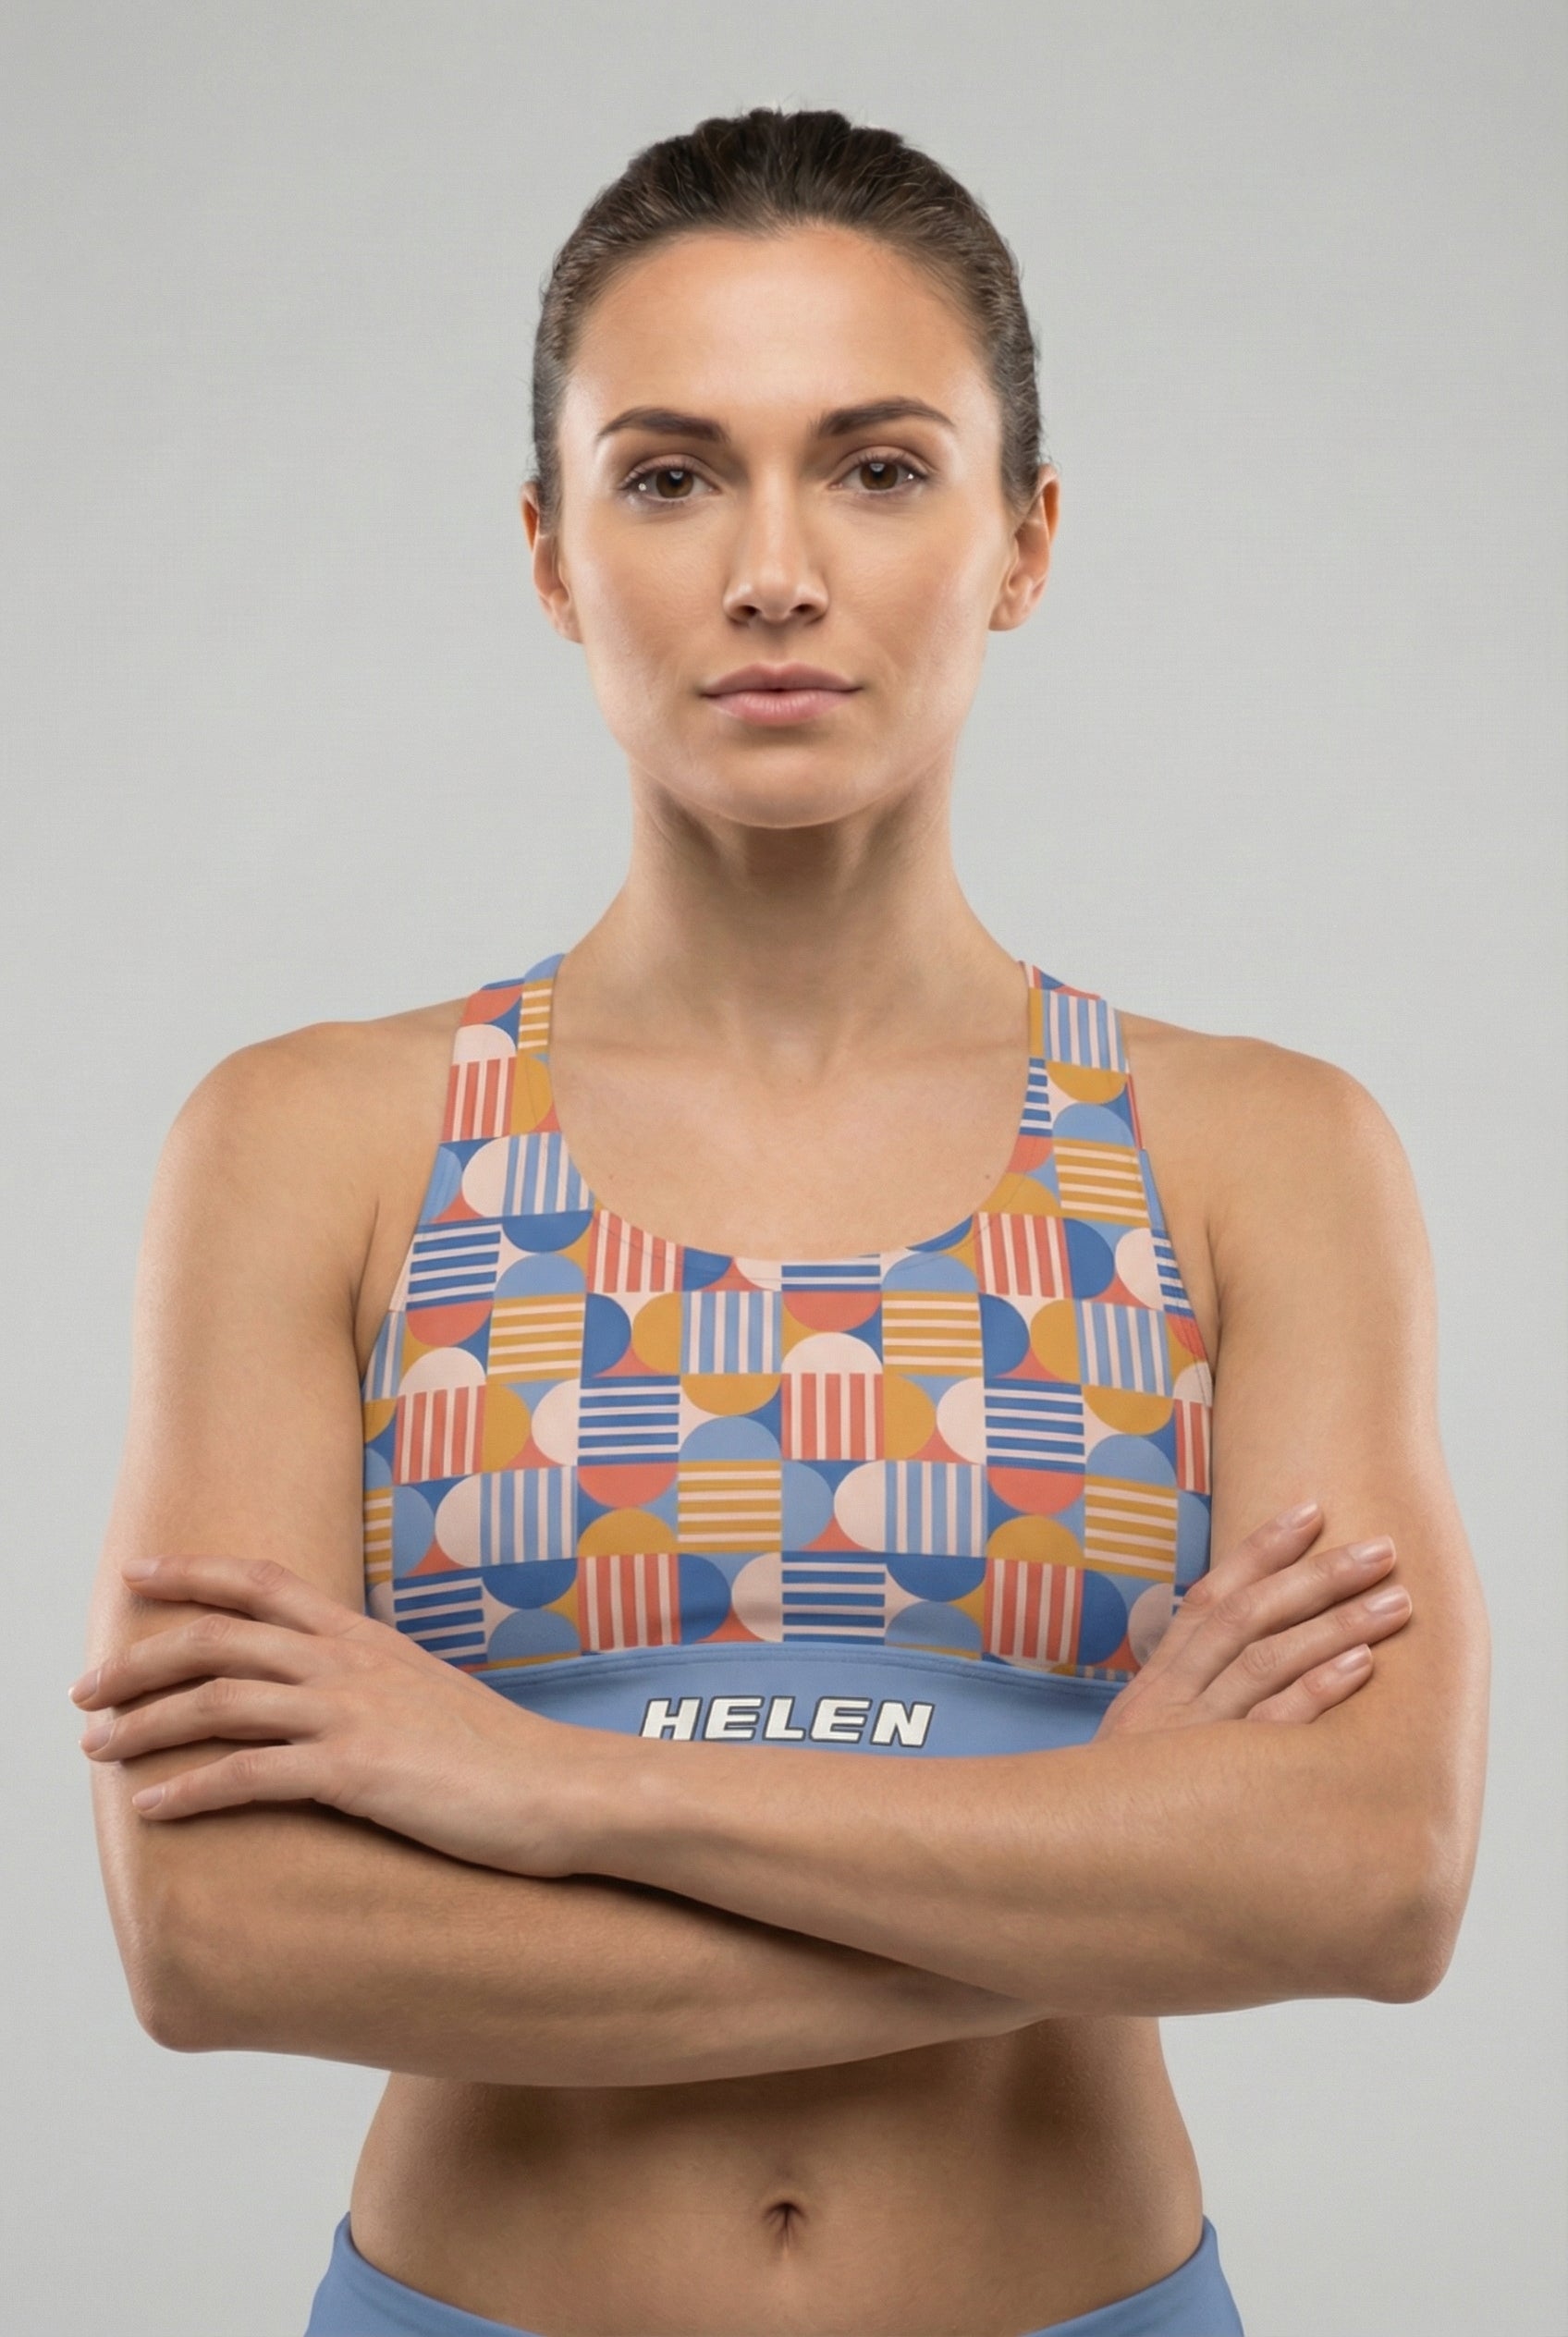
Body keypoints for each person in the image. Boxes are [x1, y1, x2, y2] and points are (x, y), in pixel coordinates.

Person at [74, 106, 1489, 2337]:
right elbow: (217, 1935)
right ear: (549, 553)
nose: (769, 568)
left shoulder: (1253, 1155)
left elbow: (1369, 1879)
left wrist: (532, 1789)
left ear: (1021, 539)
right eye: (665, 474)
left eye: (876, 464)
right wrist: (1097, 1853)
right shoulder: (314, 1144)